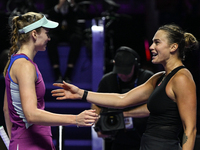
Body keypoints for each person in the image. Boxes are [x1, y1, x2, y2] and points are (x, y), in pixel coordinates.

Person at [52, 23, 199, 150]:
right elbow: (123, 99)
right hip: (148, 144)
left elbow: (190, 129)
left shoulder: (182, 78)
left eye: (157, 42)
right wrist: (81, 93)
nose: (152, 47)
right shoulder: (159, 77)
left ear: (173, 47)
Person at [3, 12, 99, 150]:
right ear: (34, 34)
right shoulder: (25, 66)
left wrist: (16, 140)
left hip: (30, 142)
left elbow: (7, 109)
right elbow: (31, 114)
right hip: (31, 144)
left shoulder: (17, 62)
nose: (49, 38)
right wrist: (76, 119)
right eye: (46, 33)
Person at [91, 46, 153, 150]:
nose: (123, 75)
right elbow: (96, 104)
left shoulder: (147, 79)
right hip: (118, 137)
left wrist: (123, 115)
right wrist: (98, 125)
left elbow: (154, 107)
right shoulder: (108, 80)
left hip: (144, 136)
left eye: (126, 71)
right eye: (120, 71)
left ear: (135, 66)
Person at [44, 0, 86, 82]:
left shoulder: (74, 2)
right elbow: (47, 14)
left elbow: (83, 14)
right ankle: (57, 73)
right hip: (56, 30)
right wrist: (59, 5)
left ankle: (68, 73)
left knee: (76, 39)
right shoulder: (51, 2)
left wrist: (73, 5)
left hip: (71, 30)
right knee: (50, 40)